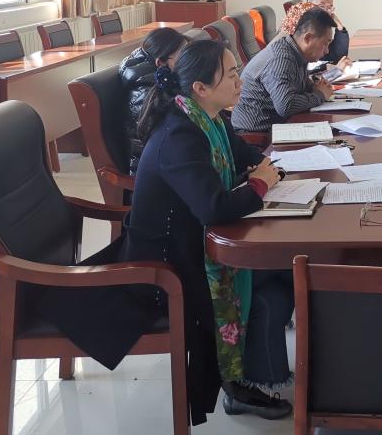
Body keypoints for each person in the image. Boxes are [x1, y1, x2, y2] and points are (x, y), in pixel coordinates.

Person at [34, 40, 290, 423]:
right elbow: (214, 208)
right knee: (275, 273)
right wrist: (259, 184)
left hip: (190, 245)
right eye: (232, 75)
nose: (241, 81)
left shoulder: (208, 119)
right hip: (166, 268)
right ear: (201, 88)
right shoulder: (180, 135)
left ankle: (259, 375)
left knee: (281, 271)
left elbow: (242, 153)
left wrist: (267, 167)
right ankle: (241, 386)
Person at [231, 7, 337, 132]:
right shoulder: (281, 58)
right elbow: (286, 106)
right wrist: (320, 95)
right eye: (325, 44)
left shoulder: (298, 53)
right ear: (308, 38)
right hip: (255, 134)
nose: (327, 51)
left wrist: (314, 87)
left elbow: (298, 87)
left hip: (277, 127)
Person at [119, 26, 187, 174]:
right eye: (182, 57)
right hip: (153, 171)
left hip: (169, 159)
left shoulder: (162, 79)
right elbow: (164, 136)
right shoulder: (145, 92)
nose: (187, 61)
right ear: (160, 62)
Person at [307, 0, 350, 64]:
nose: (326, 11)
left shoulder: (324, 27)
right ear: (308, 6)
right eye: (322, 6)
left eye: (330, 7)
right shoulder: (305, 29)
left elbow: (338, 56)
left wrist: (340, 28)